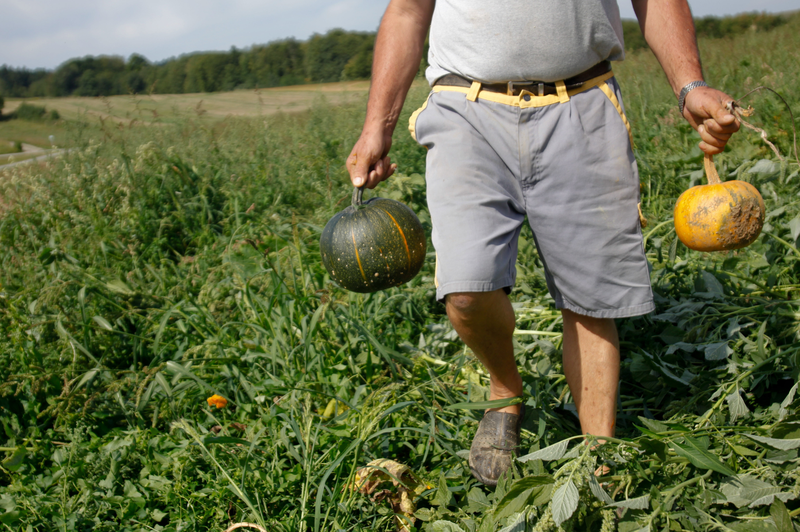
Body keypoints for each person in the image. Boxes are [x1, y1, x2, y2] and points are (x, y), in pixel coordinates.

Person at [346, 0, 740, 487]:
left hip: (583, 102)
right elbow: (407, 12)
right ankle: (505, 389)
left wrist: (690, 86)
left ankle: (599, 459)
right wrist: (376, 127)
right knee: (467, 292)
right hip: (464, 108)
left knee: (592, 301)